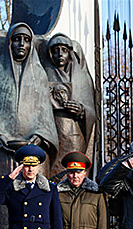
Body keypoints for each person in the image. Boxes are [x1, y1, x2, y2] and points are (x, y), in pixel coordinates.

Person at [0, 22, 59, 180]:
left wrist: (40, 135)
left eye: (26, 40)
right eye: (17, 39)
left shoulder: (39, 76)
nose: (21, 44)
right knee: (2, 195)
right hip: (2, 152)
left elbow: (45, 116)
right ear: (9, 43)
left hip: (34, 150)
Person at [40, 33, 96, 177]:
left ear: (70, 52)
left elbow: (91, 110)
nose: (60, 54)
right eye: (55, 50)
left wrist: (82, 110)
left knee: (71, 171)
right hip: (52, 132)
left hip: (74, 133)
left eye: (64, 50)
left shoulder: (82, 77)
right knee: (53, 174)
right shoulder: (44, 73)